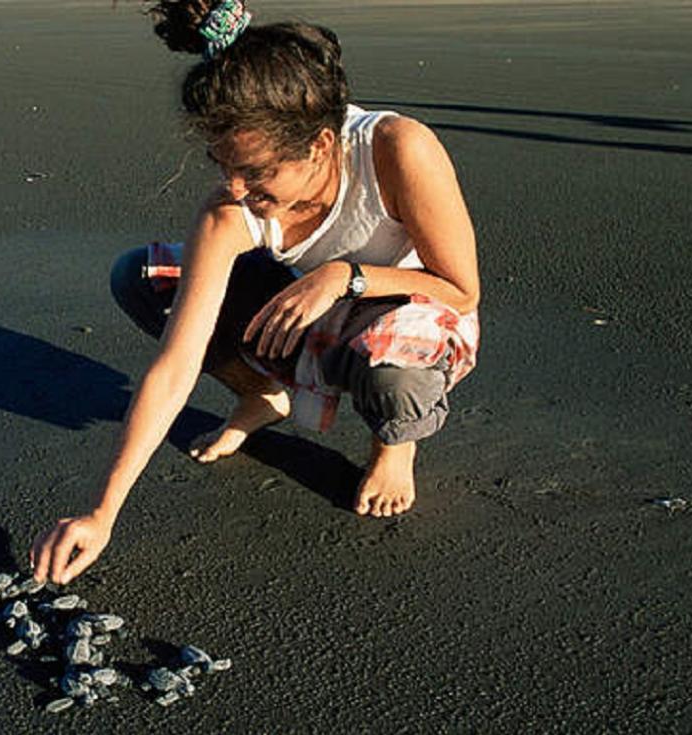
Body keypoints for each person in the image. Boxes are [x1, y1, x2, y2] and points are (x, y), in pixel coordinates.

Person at [31, 0, 481, 586]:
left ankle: (394, 443)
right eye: (222, 164)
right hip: (307, 306)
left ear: (320, 146)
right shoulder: (230, 208)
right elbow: (176, 364)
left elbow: (461, 290)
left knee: (395, 374)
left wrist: (344, 275)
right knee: (141, 279)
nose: (235, 188)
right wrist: (102, 511)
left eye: (256, 171)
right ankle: (264, 395)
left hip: (411, 305)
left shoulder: (397, 149)